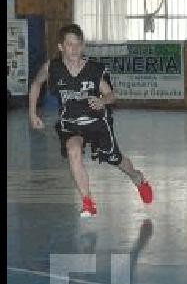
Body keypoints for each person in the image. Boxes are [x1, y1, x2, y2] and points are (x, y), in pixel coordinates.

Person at [27, 23, 153, 217]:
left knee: (115, 158)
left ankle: (138, 178)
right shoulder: (52, 68)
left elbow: (112, 95)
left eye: (78, 44)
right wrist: (32, 113)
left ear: (83, 45)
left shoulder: (93, 69)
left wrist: (103, 100)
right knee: (73, 150)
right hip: (70, 123)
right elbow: (36, 84)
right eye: (69, 44)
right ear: (61, 47)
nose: (74, 49)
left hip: (97, 123)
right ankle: (87, 202)